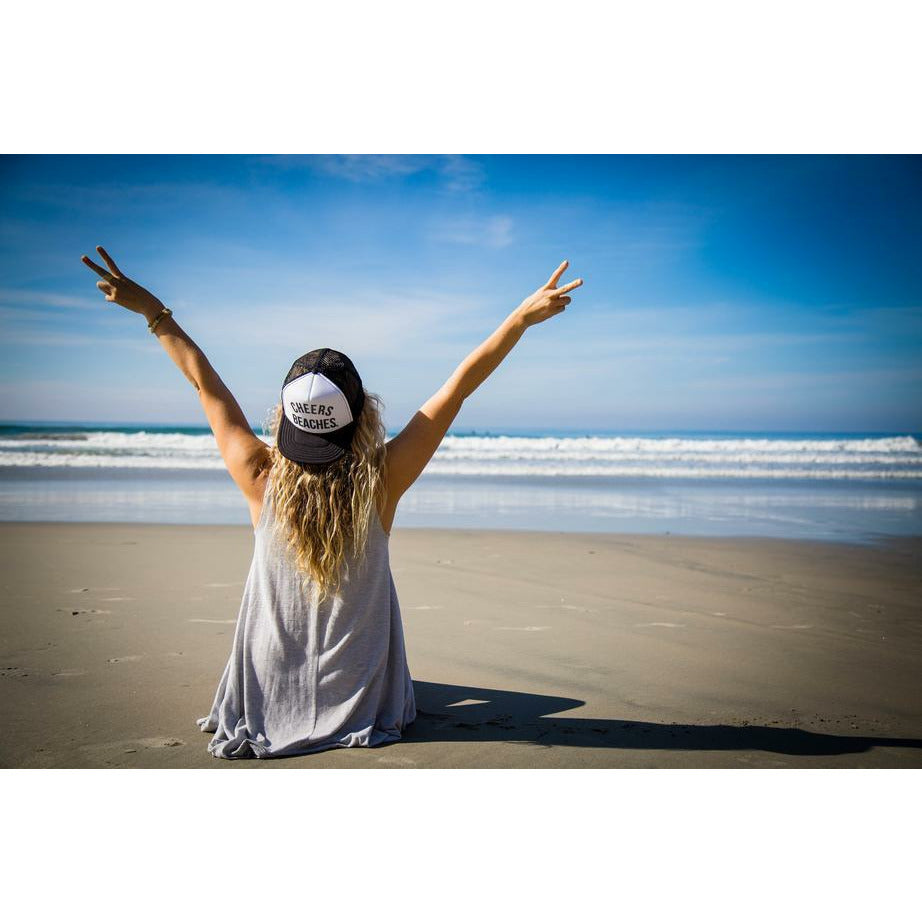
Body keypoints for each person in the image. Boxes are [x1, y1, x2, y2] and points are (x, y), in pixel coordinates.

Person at [81, 245, 584, 758]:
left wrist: (154, 313)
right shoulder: (382, 480)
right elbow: (457, 390)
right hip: (360, 704)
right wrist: (519, 321)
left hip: (266, 698)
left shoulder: (258, 474)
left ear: (284, 415)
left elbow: (204, 384)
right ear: (363, 414)